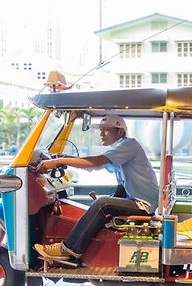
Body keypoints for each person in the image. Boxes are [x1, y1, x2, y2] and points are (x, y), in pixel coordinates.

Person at [34, 114, 159, 266]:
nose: (101, 133)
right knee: (101, 204)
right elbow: (99, 165)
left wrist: (57, 161)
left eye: (106, 130)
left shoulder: (129, 145)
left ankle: (69, 250)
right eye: (100, 130)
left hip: (143, 205)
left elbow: (95, 162)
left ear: (119, 132)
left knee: (102, 203)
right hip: (137, 200)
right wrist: (63, 157)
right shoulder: (120, 149)